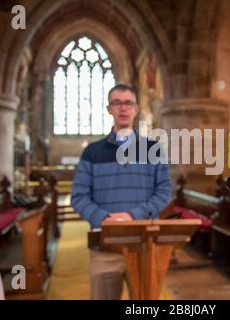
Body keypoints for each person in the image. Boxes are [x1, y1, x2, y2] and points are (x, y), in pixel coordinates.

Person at [71, 84, 172, 300]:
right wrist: (105, 219)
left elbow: (164, 192)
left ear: (136, 109)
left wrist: (133, 216)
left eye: (128, 103)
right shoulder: (92, 152)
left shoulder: (153, 149)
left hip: (143, 245)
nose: (123, 108)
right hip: (105, 249)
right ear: (109, 109)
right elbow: (79, 196)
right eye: (117, 103)